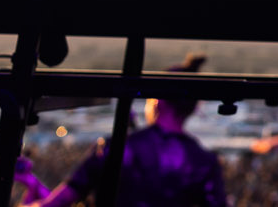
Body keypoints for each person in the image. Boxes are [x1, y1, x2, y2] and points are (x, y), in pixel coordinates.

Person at [16, 56, 227, 207]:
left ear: (157, 102)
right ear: (192, 108)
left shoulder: (115, 150)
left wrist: (30, 195)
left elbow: (59, 202)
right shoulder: (204, 162)